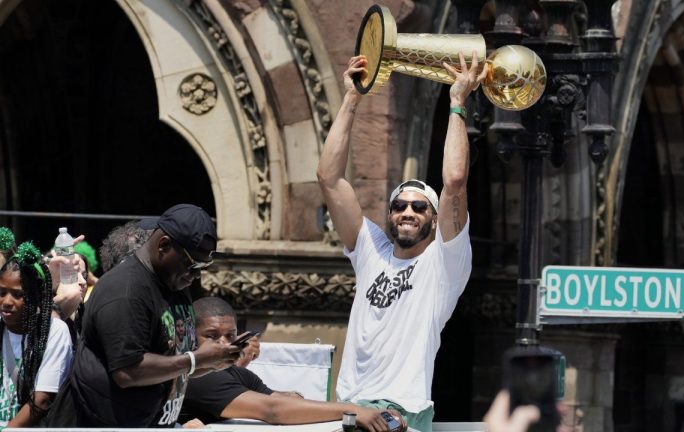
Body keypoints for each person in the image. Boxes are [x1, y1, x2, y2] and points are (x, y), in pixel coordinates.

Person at [316, 52, 485, 432]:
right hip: (348, 408)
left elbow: (455, 182)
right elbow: (329, 178)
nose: (408, 212)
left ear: (435, 218)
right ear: (389, 214)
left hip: (400, 414)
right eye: (399, 206)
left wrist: (457, 103)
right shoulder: (370, 249)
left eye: (420, 207)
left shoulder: (444, 263)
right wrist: (351, 98)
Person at [44, 204, 242, 427]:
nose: (196, 274)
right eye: (192, 264)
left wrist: (214, 361)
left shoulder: (175, 284)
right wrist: (195, 359)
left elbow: (169, 361)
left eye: (204, 266)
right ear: (164, 245)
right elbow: (127, 372)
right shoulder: (125, 290)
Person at [179, 297, 406, 431]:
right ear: (191, 336)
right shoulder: (203, 378)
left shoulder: (235, 374)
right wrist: (354, 411)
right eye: (211, 336)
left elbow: (282, 400)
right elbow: (273, 410)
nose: (223, 344)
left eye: (231, 336)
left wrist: (371, 414)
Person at [0, 242, 73, 426]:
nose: (6, 301)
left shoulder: (54, 331)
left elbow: (42, 399)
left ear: (36, 296)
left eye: (17, 295)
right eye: (1, 292)